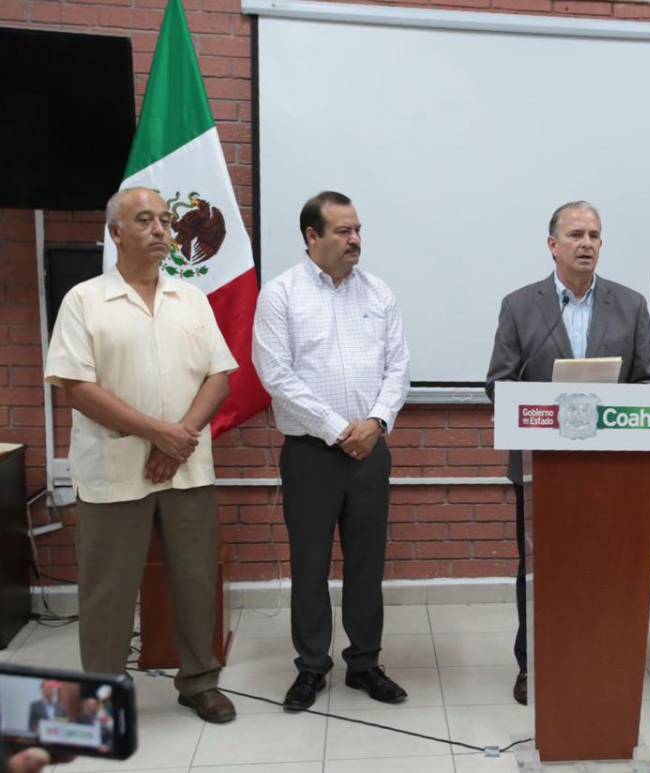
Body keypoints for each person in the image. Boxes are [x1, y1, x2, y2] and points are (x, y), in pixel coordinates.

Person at [44, 187, 238, 723]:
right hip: (112, 471)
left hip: (187, 468)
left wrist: (178, 441)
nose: (160, 230)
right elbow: (77, 387)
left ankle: (199, 681)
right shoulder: (85, 300)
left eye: (164, 222)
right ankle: (101, 694)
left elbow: (219, 377)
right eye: (145, 220)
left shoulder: (191, 300)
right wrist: (160, 433)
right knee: (108, 589)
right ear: (115, 233)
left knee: (197, 579)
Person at [484, 200, 650, 704]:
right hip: (544, 466)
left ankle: (599, 659)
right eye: (576, 234)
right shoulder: (521, 306)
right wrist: (550, 406)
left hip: (612, 469)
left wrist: (611, 408)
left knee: (604, 568)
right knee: (542, 569)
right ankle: (533, 665)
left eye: (595, 235)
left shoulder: (630, 305)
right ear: (553, 245)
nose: (587, 243)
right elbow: (498, 385)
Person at [253, 191, 411, 711]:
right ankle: (311, 668)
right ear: (311, 236)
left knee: (368, 563)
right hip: (311, 453)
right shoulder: (281, 294)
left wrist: (377, 422)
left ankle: (364, 663)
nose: (355, 240)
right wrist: (340, 428)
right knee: (310, 564)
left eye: (358, 229)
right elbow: (276, 374)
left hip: (371, 451)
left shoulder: (379, 293)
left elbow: (398, 368)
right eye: (343, 231)